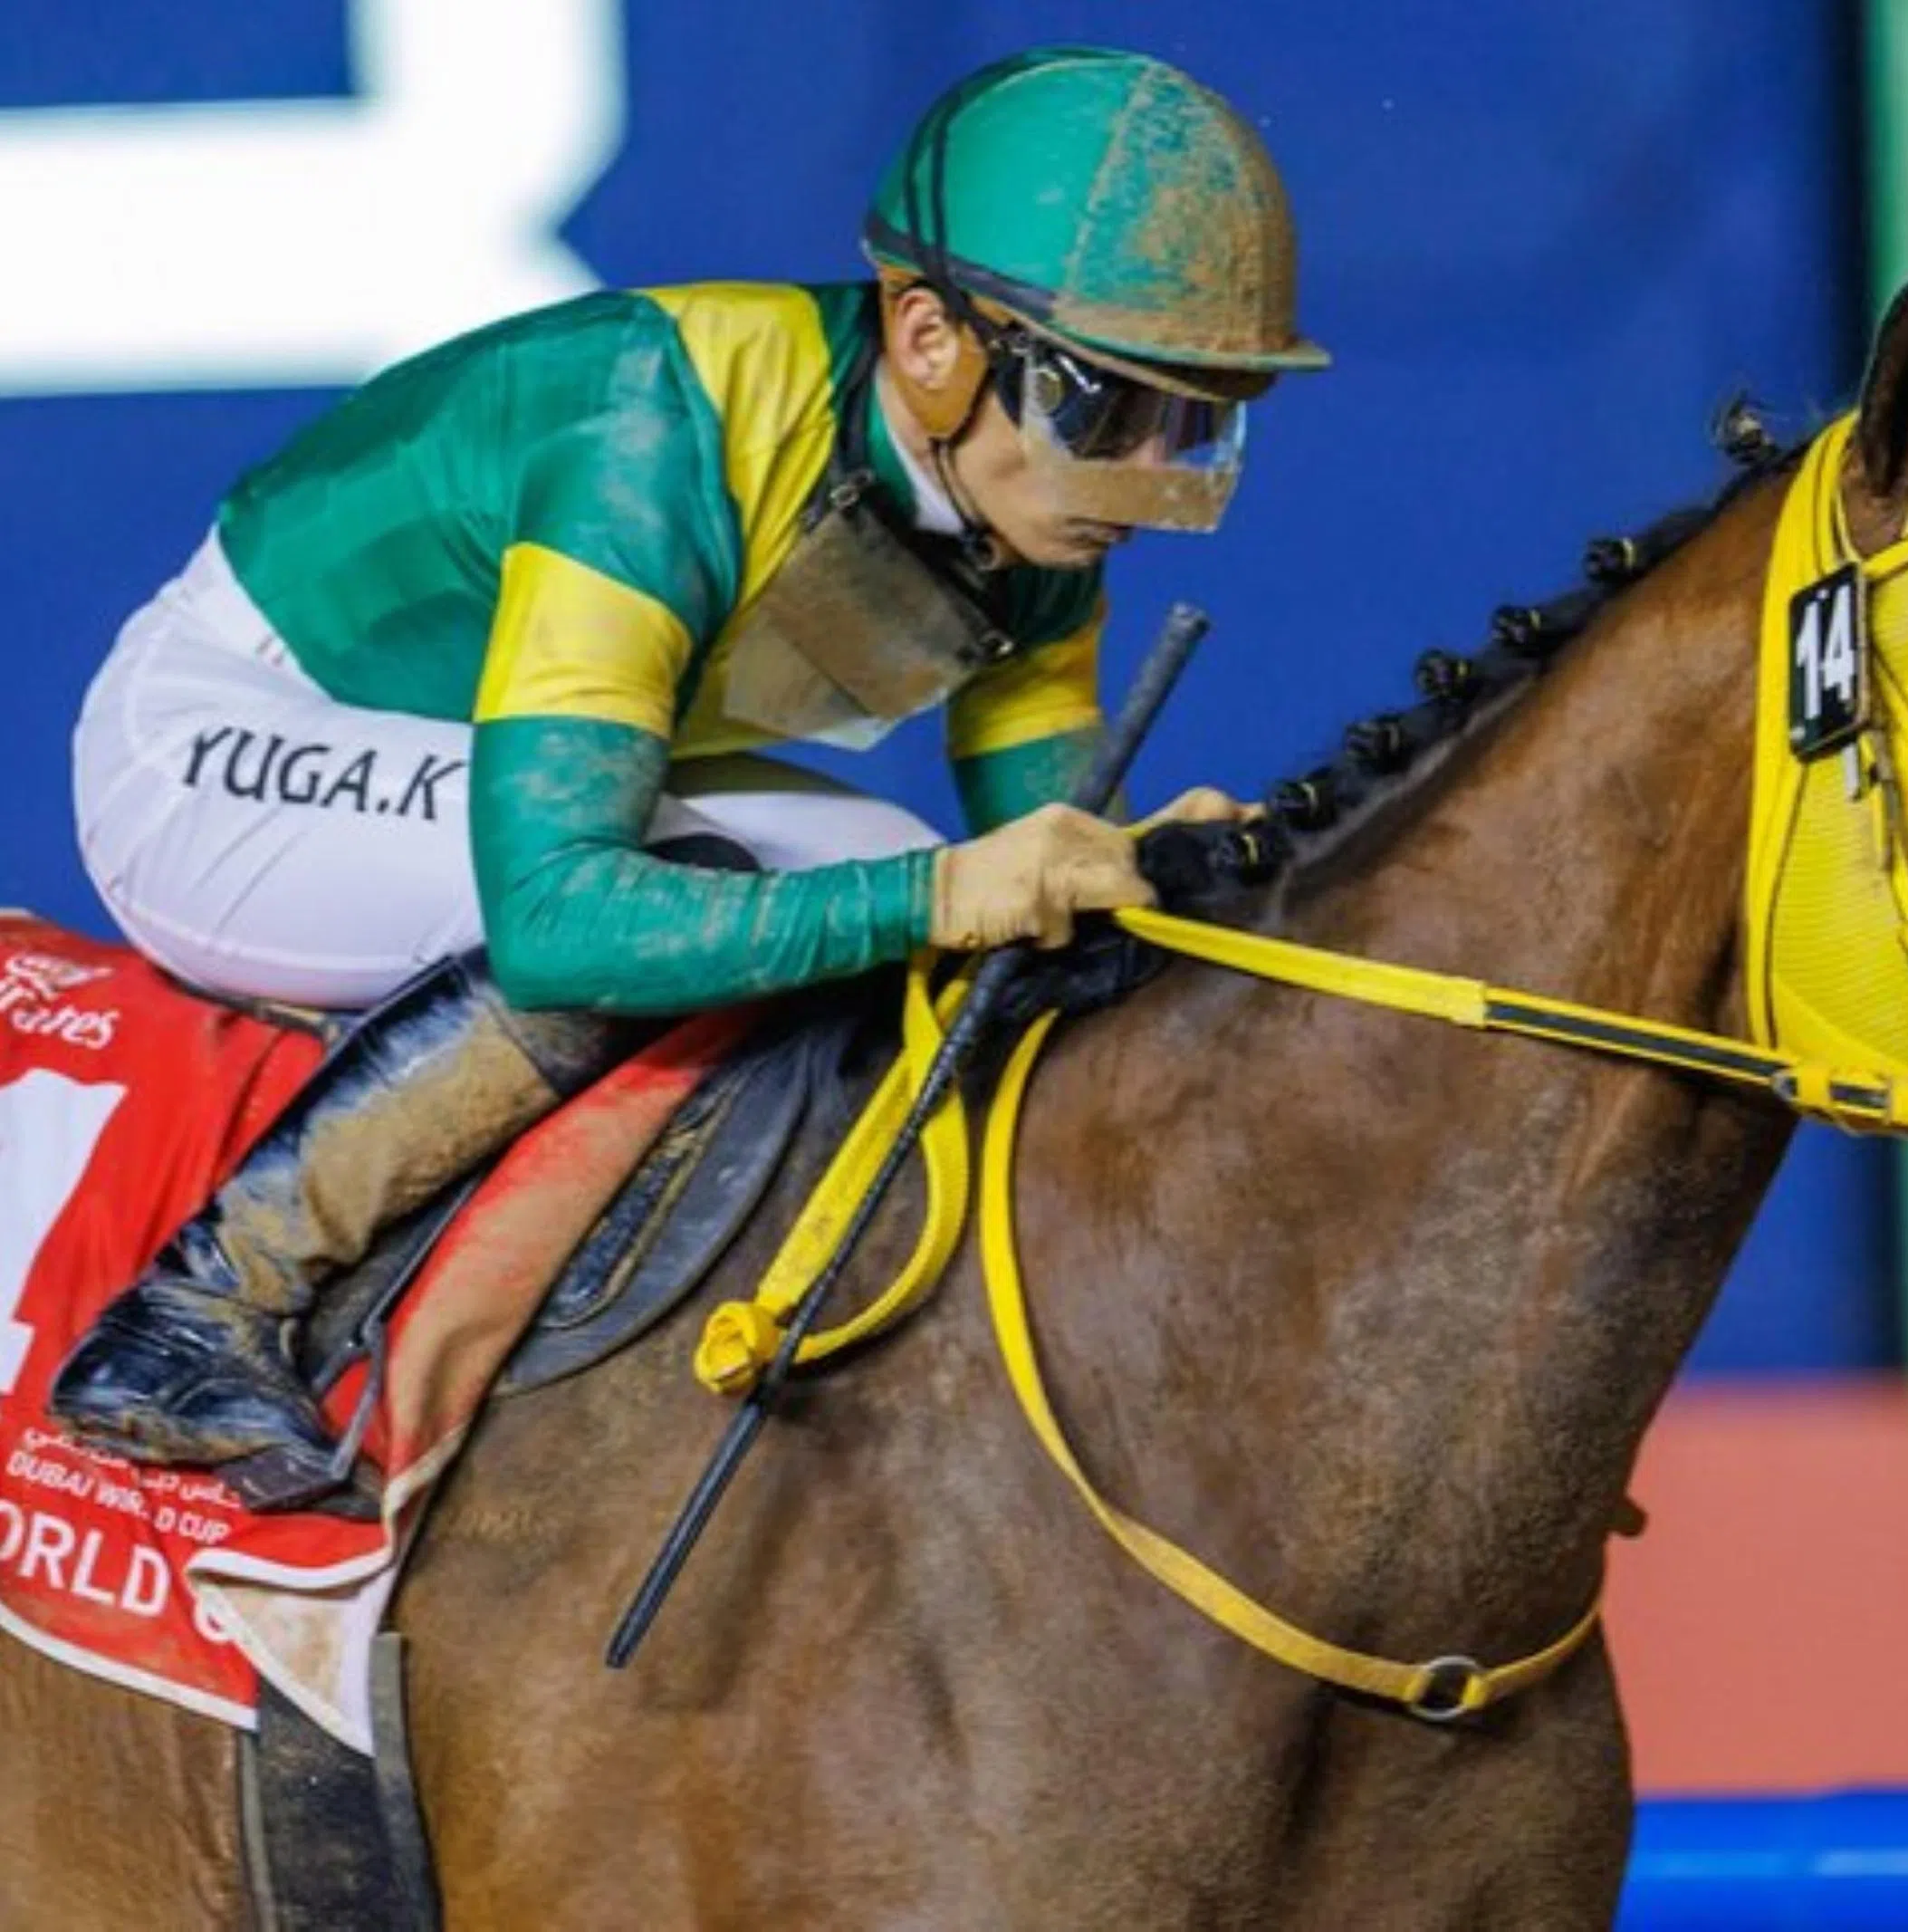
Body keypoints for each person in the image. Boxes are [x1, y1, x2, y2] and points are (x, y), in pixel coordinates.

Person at [49, 44, 1328, 1508]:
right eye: (1108, 414)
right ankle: (196, 1312)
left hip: (456, 741)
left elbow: (1047, 860)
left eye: (1198, 423)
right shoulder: (653, 428)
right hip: (222, 743)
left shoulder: (1028, 517)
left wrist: (1148, 874)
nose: (1145, 481)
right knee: (729, 900)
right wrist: (957, 886)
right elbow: (560, 920)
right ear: (931, 340)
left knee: (908, 878)